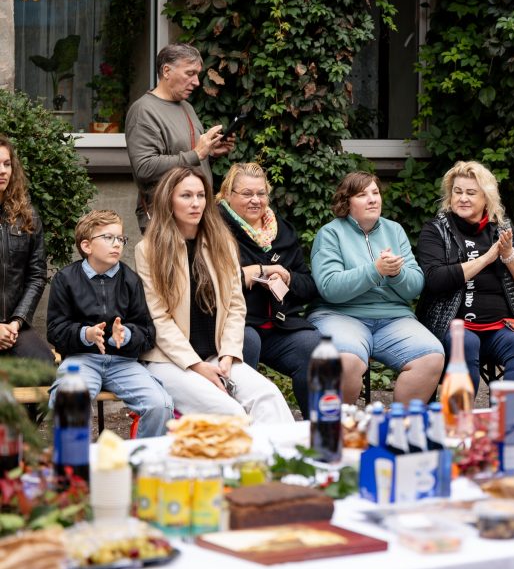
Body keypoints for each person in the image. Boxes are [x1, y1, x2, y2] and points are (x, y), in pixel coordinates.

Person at [135, 167, 294, 423]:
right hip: (170, 361)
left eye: (201, 195)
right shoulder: (149, 250)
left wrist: (229, 355)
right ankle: (243, 462)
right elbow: (158, 318)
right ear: (169, 200)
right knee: (230, 412)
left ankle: (285, 462)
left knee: (268, 396)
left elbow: (235, 306)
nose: (196, 203)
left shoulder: (222, 243)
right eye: (186, 196)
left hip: (217, 354)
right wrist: (196, 366)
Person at [308, 171, 444, 404]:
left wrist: (396, 273)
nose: (373, 199)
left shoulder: (395, 230)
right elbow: (330, 287)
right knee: (345, 361)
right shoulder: (330, 234)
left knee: (431, 357)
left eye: (376, 192)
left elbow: (414, 287)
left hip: (393, 318)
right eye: (362, 194)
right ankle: (342, 432)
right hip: (341, 315)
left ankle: (399, 432)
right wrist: (375, 270)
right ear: (346, 202)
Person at [46, 210, 174, 437]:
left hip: (123, 362)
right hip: (81, 360)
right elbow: (55, 331)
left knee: (159, 404)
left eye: (121, 239)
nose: (117, 244)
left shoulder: (131, 279)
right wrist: (85, 334)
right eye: (108, 238)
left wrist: (126, 334)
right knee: (69, 403)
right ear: (86, 246)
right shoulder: (66, 279)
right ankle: (75, 468)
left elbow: (147, 332)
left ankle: (141, 466)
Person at [416, 161, 514, 391]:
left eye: (471, 193)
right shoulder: (436, 230)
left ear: (487, 199)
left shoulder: (502, 229)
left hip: (499, 327)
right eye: (457, 192)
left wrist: (509, 255)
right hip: (454, 325)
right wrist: (484, 259)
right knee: (465, 342)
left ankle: (509, 419)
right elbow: (435, 279)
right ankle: (462, 422)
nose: (463, 198)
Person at [217, 162, 321, 416]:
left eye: (261, 194)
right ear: (228, 195)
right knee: (247, 340)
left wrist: (288, 279)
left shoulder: (281, 229)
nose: (256, 200)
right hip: (236, 324)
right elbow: (209, 283)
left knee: (315, 347)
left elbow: (309, 286)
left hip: (279, 326)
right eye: (247, 194)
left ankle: (318, 431)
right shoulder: (215, 228)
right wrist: (254, 272)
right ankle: (242, 427)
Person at [126, 43, 234, 231]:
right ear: (166, 71)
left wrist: (210, 151)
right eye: (189, 73)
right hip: (166, 222)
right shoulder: (143, 111)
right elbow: (144, 167)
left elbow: (189, 154)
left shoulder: (186, 107)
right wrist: (196, 154)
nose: (196, 82)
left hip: (198, 217)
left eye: (197, 75)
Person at [0, 137, 54, 364]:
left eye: (6, 164)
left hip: (13, 324)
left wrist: (16, 322)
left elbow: (36, 275)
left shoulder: (27, 215)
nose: (2, 171)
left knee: (44, 365)